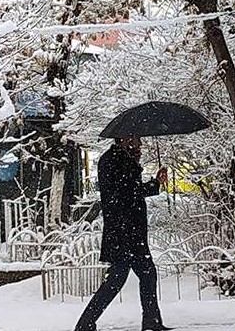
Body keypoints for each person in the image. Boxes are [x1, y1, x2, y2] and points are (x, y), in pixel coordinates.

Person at [74, 137, 173, 331]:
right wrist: (152, 182)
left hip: (126, 232)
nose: (140, 144)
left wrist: (153, 181)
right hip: (124, 232)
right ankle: (86, 323)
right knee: (125, 278)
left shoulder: (119, 159)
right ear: (124, 138)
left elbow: (129, 191)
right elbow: (129, 192)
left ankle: (150, 321)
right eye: (136, 139)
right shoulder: (115, 160)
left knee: (136, 276)